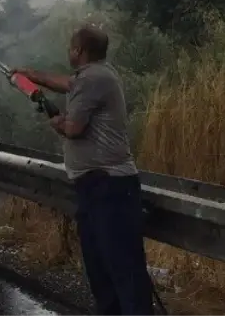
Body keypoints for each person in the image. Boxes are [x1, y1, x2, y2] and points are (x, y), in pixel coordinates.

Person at [15, 25, 156, 316]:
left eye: (71, 47)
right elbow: (67, 83)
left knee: (122, 270)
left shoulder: (92, 79)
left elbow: (74, 129)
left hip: (109, 187)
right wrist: (31, 76)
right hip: (96, 187)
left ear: (79, 51)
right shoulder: (95, 75)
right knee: (101, 269)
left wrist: (57, 123)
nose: (69, 51)